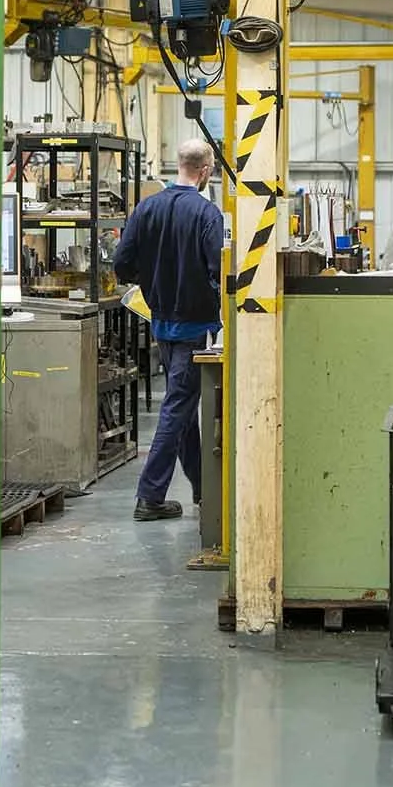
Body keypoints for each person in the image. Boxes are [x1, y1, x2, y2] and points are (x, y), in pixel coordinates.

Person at [114, 137, 224, 521]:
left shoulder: (147, 208)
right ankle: (150, 496)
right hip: (195, 326)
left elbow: (122, 264)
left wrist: (152, 281)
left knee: (183, 404)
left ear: (178, 164)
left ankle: (201, 488)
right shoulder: (208, 214)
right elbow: (219, 272)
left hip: (160, 320)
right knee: (178, 405)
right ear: (206, 170)